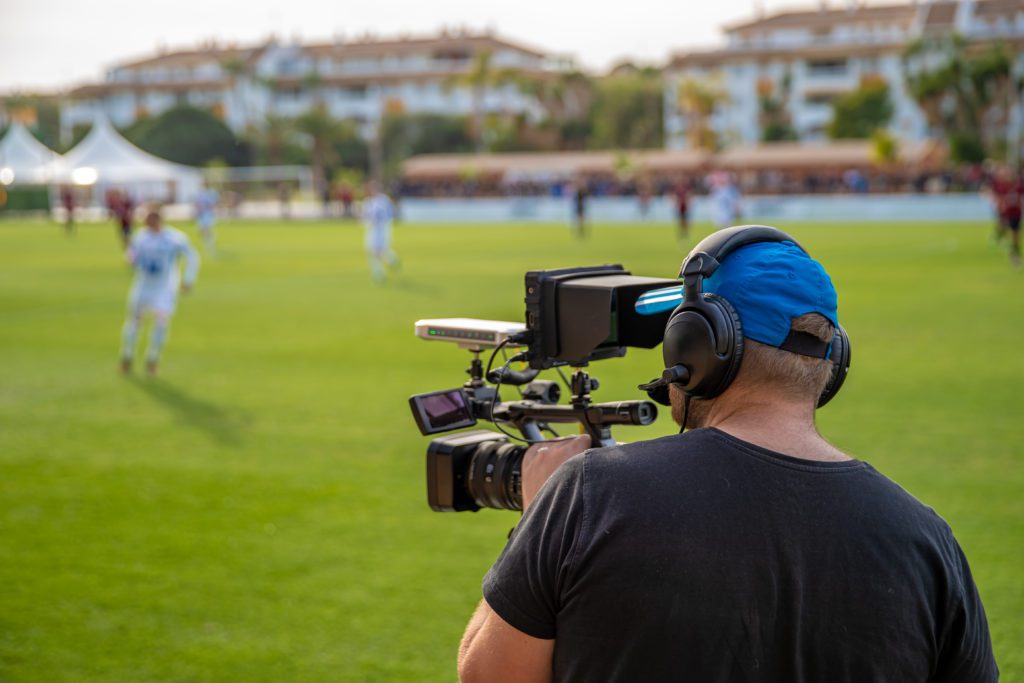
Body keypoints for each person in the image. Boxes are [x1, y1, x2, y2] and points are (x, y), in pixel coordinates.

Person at [458, 227, 997, 682]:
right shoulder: (927, 541)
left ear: (698, 347)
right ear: (834, 363)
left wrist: (536, 514)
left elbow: (488, 674)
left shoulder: (588, 495)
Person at [120, 204, 199, 376]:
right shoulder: (140, 238)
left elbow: (192, 257)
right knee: (135, 322)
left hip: (164, 289)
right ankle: (127, 355)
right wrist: (131, 259)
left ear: (159, 220)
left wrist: (187, 280)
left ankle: (153, 358)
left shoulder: (174, 238)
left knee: (161, 323)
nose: (149, 223)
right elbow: (131, 256)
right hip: (143, 287)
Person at [362, 181, 400, 283]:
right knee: (379, 251)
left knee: (374, 252)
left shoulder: (375, 201)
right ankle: (392, 260)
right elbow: (392, 212)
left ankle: (379, 273)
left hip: (378, 229)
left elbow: (371, 216)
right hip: (383, 228)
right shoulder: (382, 199)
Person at [987, 165, 1023, 269]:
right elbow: (999, 198)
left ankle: (1014, 252)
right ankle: (1014, 255)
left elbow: (1020, 199)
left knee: (1016, 235)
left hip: (1017, 213)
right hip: (1007, 213)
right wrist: (1000, 206)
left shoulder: (1018, 186)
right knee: (1010, 232)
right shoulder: (1002, 186)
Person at [195, 187, 219, 253]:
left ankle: (210, 243)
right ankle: (210, 241)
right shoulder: (200, 197)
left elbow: (212, 205)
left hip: (207, 215)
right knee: (201, 231)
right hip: (202, 216)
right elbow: (197, 205)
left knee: (206, 230)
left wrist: (205, 208)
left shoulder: (207, 197)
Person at [673, 176, 690, 242]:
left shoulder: (685, 189)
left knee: (685, 221)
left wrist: (687, 203)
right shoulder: (678, 189)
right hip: (680, 207)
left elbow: (688, 196)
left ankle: (685, 233)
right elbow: (676, 198)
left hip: (684, 206)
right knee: (681, 221)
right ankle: (682, 233)